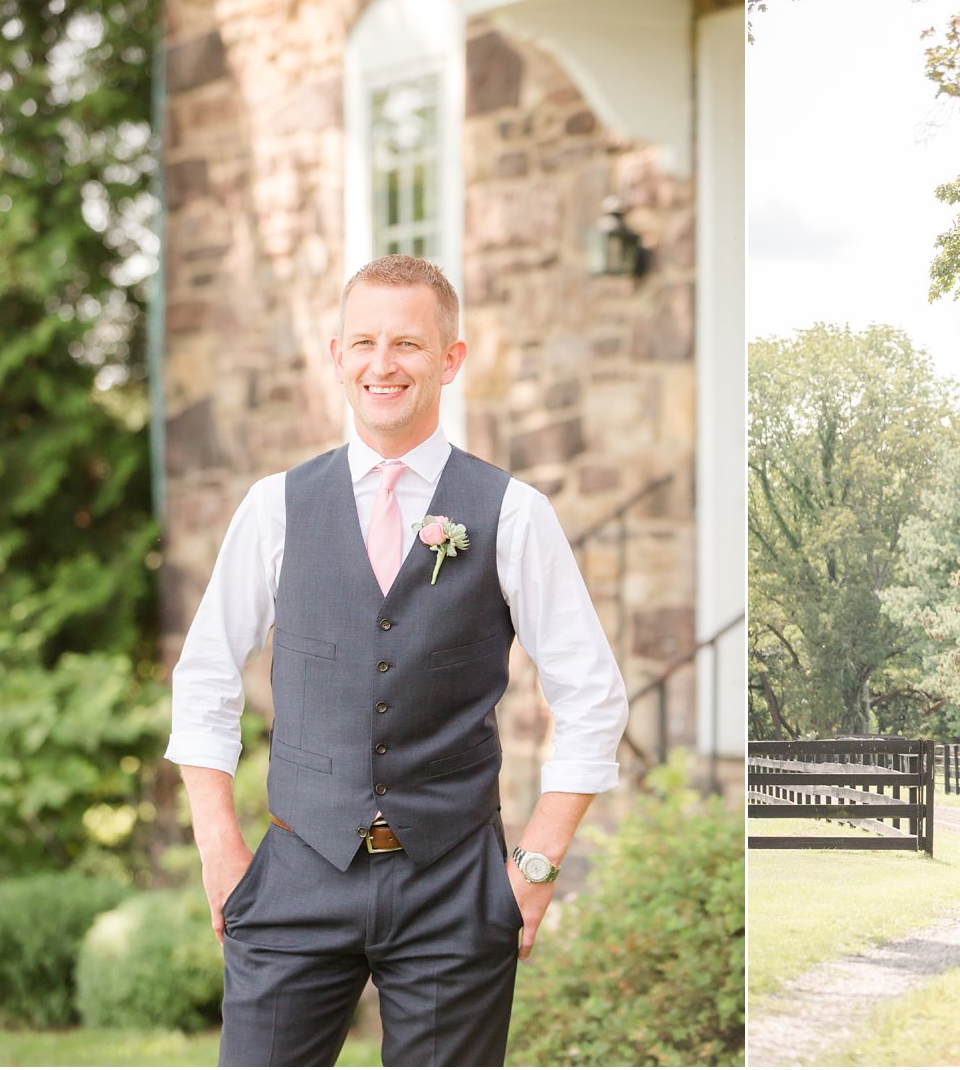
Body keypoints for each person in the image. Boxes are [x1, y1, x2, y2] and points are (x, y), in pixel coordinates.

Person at [165, 255, 629, 1066]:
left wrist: (536, 867)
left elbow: (593, 697)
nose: (385, 364)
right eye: (366, 342)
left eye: (409, 344)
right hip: (295, 872)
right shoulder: (275, 506)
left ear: (450, 359)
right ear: (338, 354)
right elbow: (205, 677)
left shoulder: (513, 514)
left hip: (453, 886)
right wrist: (220, 849)